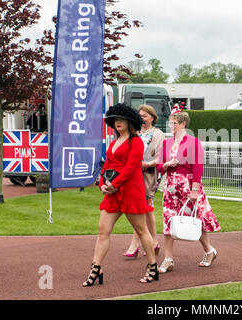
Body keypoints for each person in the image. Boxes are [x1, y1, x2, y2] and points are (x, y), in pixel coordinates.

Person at [82, 103, 159, 286]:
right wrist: (102, 184)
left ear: (129, 121)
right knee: (103, 231)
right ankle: (96, 268)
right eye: (115, 119)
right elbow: (107, 166)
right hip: (112, 192)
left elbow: (132, 167)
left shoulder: (137, 142)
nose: (117, 122)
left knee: (141, 231)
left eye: (121, 119)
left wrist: (114, 184)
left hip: (131, 190)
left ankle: (152, 266)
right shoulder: (114, 142)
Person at [157, 106, 221, 273]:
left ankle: (209, 251)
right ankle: (168, 259)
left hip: (188, 185)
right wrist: (166, 165)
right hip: (170, 187)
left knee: (195, 220)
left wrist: (195, 190)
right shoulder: (166, 143)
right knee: (168, 221)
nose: (171, 127)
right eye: (170, 124)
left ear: (183, 123)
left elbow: (198, 167)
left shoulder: (193, 142)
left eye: (174, 123)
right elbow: (158, 166)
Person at [123, 104, 165, 258]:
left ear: (152, 118)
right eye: (139, 115)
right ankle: (153, 242)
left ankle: (137, 243)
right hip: (133, 173)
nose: (141, 118)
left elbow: (161, 157)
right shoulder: (134, 132)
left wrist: (146, 164)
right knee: (142, 209)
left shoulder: (158, 134)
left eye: (145, 116)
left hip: (148, 174)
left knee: (145, 207)